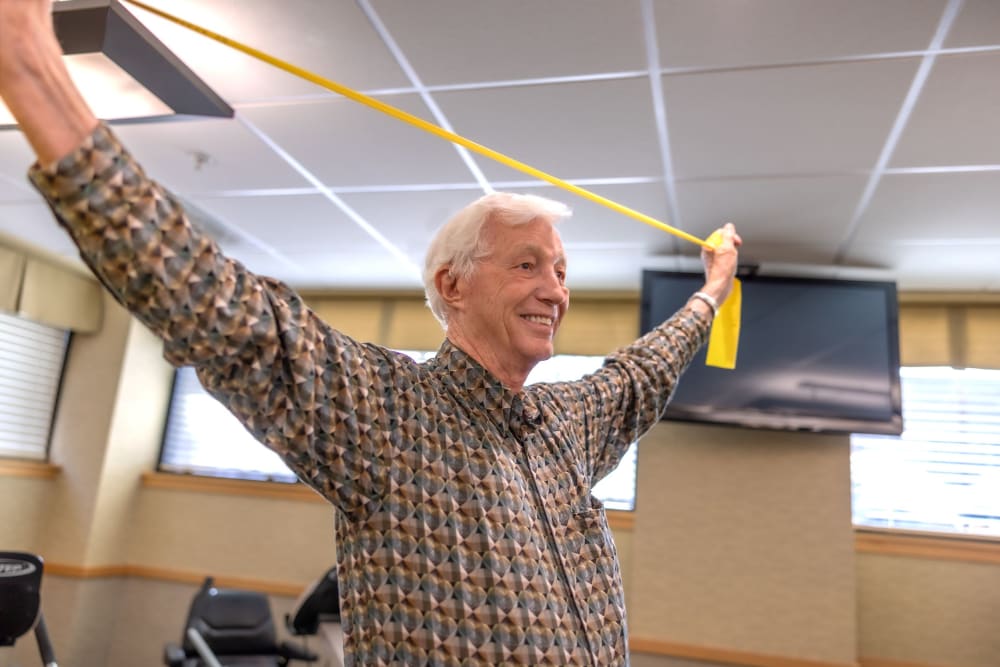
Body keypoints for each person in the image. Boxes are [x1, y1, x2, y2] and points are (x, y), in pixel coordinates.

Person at [0, 3, 741, 665]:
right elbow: (217, 308)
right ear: (453, 286)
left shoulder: (564, 426)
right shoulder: (388, 414)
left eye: (561, 269)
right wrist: (33, 66)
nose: (556, 289)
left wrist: (711, 290)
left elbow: (641, 373)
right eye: (527, 264)